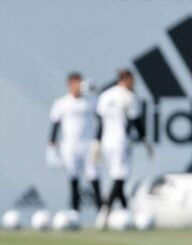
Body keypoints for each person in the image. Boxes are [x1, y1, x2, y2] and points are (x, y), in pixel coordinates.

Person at [93, 68, 153, 228]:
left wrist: (97, 141)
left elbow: (100, 121)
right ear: (125, 79)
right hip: (121, 141)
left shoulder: (105, 95)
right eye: (132, 80)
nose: (133, 83)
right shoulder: (129, 97)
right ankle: (105, 210)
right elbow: (135, 122)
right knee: (120, 176)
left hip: (106, 141)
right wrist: (145, 138)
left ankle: (125, 210)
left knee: (116, 175)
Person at [48, 72, 102, 212]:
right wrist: (51, 147)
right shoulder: (61, 103)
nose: (79, 86)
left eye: (81, 83)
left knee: (94, 176)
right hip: (70, 146)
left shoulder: (92, 100)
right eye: (76, 83)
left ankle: (101, 212)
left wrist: (98, 141)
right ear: (70, 84)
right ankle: (74, 211)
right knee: (73, 178)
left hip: (89, 145)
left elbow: (103, 117)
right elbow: (55, 125)